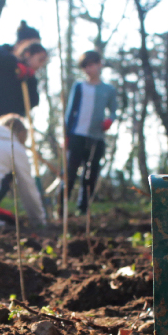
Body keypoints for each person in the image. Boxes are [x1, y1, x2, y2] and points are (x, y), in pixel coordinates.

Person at [63, 50, 118, 215]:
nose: (89, 69)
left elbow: (113, 111)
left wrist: (109, 121)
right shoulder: (79, 87)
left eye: (91, 65)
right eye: (85, 66)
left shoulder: (108, 89)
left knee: (91, 174)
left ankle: (83, 209)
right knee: (70, 172)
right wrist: (67, 135)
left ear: (99, 64)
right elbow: (70, 112)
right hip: (77, 135)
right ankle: (62, 208)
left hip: (96, 137)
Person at [0, 21, 50, 120]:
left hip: (13, 118)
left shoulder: (29, 73)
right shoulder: (1, 52)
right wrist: (16, 66)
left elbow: (32, 101)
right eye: (33, 45)